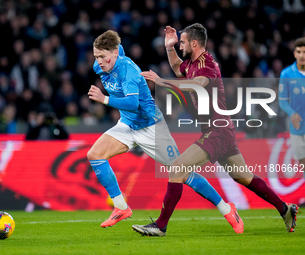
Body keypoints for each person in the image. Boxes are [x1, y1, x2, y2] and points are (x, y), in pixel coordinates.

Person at [132, 24, 299, 236]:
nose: (180, 45)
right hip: (220, 130)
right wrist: (169, 47)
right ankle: (285, 209)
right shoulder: (192, 63)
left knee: (177, 168)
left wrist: (161, 81)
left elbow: (195, 85)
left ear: (194, 43)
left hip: (217, 131)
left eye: (182, 42)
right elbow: (177, 68)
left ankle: (160, 225)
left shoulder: (207, 65)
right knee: (243, 177)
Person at [87, 30, 244, 231]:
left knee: (181, 171)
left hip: (151, 127)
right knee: (95, 154)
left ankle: (227, 208)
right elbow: (115, 50)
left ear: (115, 53)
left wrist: (104, 99)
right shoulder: (103, 64)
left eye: (102, 56)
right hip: (128, 124)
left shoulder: (129, 71)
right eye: (96, 56)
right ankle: (121, 207)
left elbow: (133, 103)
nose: (99, 61)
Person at [279, 37, 305, 181]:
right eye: (299, 52)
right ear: (295, 53)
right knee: (303, 163)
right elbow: (282, 101)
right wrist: (292, 112)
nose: (302, 55)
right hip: (297, 127)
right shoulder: (287, 74)